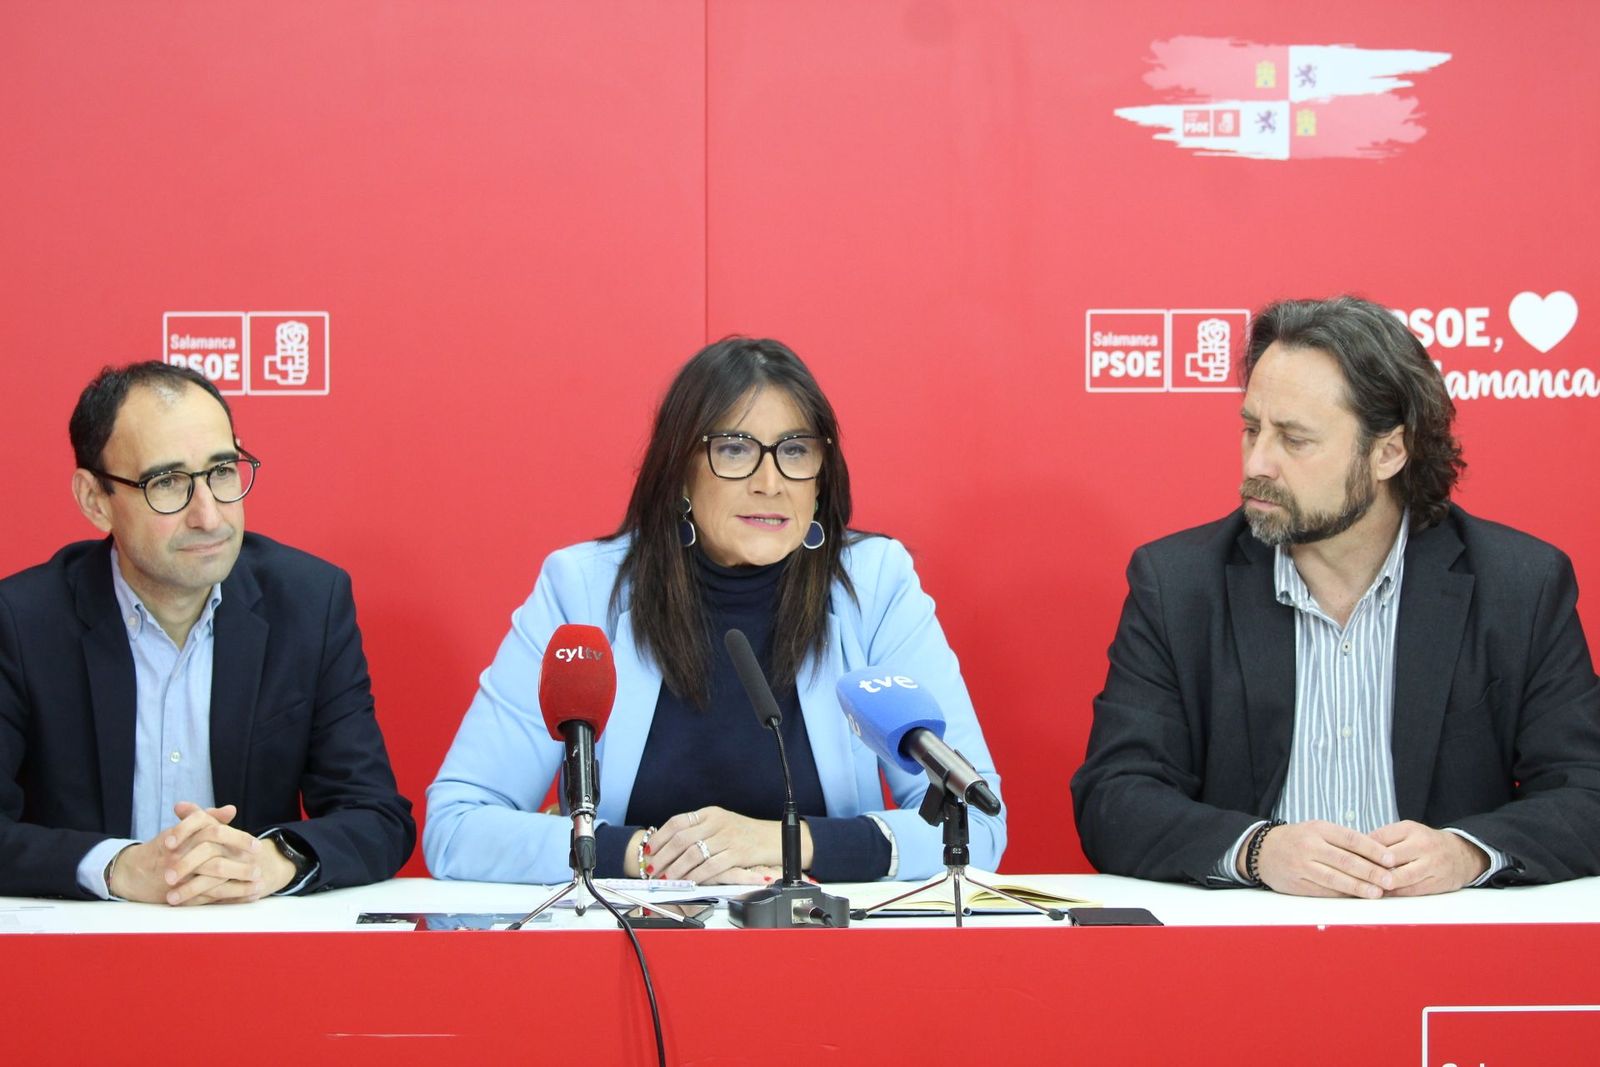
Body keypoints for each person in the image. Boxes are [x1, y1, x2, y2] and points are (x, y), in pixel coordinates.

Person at [1072, 296, 1600, 897]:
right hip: (1250, 945)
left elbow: (1587, 792)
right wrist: (1257, 850)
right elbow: (1113, 797)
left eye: (1294, 440)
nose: (1259, 463)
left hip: (1447, 947)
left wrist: (1468, 854)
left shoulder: (1520, 585)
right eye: (1252, 429)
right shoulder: (1177, 583)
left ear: (1388, 453)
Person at [426, 337, 1004, 885]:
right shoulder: (582, 589)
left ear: (822, 478)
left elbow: (976, 821)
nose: (770, 482)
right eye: (734, 449)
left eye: (796, 451)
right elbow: (458, 825)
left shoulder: (873, 585)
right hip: (634, 948)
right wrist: (643, 855)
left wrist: (786, 843)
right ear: (679, 468)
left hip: (824, 948)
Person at [0, 361, 415, 903]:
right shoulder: (21, 621)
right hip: (79, 958)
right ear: (95, 500)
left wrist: (272, 860)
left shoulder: (309, 604)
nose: (210, 516)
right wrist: (116, 867)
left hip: (251, 951)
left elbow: (377, 815)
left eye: (222, 472)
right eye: (167, 483)